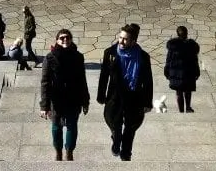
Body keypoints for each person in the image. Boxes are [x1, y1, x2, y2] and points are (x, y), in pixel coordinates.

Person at [98, 23, 153, 161]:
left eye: (125, 39)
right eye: (120, 37)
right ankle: (116, 142)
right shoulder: (110, 53)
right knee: (114, 123)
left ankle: (126, 152)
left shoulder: (143, 57)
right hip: (115, 96)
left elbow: (147, 81)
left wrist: (147, 102)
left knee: (130, 127)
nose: (121, 41)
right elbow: (104, 75)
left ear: (133, 41)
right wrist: (101, 95)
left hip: (134, 96)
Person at [40, 29, 90, 161]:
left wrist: (85, 101)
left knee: (72, 126)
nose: (65, 40)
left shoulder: (78, 57)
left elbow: (82, 80)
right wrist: (44, 105)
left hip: (74, 99)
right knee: (56, 127)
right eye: (62, 38)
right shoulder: (50, 58)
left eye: (67, 37)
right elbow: (45, 83)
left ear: (71, 39)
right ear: (57, 41)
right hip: (57, 100)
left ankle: (69, 151)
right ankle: (58, 151)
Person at [164, 26, 200, 113]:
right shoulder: (191, 46)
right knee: (188, 91)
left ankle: (181, 111)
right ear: (186, 34)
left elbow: (168, 60)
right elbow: (195, 61)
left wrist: (167, 71)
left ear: (177, 34)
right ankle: (188, 107)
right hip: (188, 72)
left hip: (176, 73)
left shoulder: (173, 46)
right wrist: (197, 72)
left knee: (179, 92)